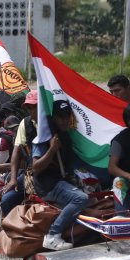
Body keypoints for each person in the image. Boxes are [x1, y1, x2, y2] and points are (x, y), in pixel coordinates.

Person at [32, 101, 91, 251]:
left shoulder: (66, 136)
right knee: (80, 198)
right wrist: (52, 149)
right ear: (53, 118)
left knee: (93, 196)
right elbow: (36, 168)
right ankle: (53, 234)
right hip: (48, 185)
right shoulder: (43, 138)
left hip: (63, 180)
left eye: (67, 116)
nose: (64, 120)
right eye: (60, 117)